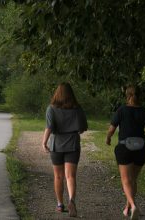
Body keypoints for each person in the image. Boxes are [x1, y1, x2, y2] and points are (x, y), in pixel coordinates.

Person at [106, 85, 145, 220]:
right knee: (133, 180)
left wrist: (108, 138)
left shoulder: (121, 110)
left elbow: (112, 129)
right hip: (141, 149)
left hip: (125, 148)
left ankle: (133, 205)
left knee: (126, 180)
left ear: (127, 96)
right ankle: (127, 208)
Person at [42, 82, 88, 217]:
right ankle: (72, 201)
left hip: (57, 145)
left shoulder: (51, 109)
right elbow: (83, 128)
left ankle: (60, 204)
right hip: (73, 144)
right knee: (70, 176)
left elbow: (49, 127)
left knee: (58, 176)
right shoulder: (77, 109)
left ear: (57, 93)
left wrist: (44, 142)